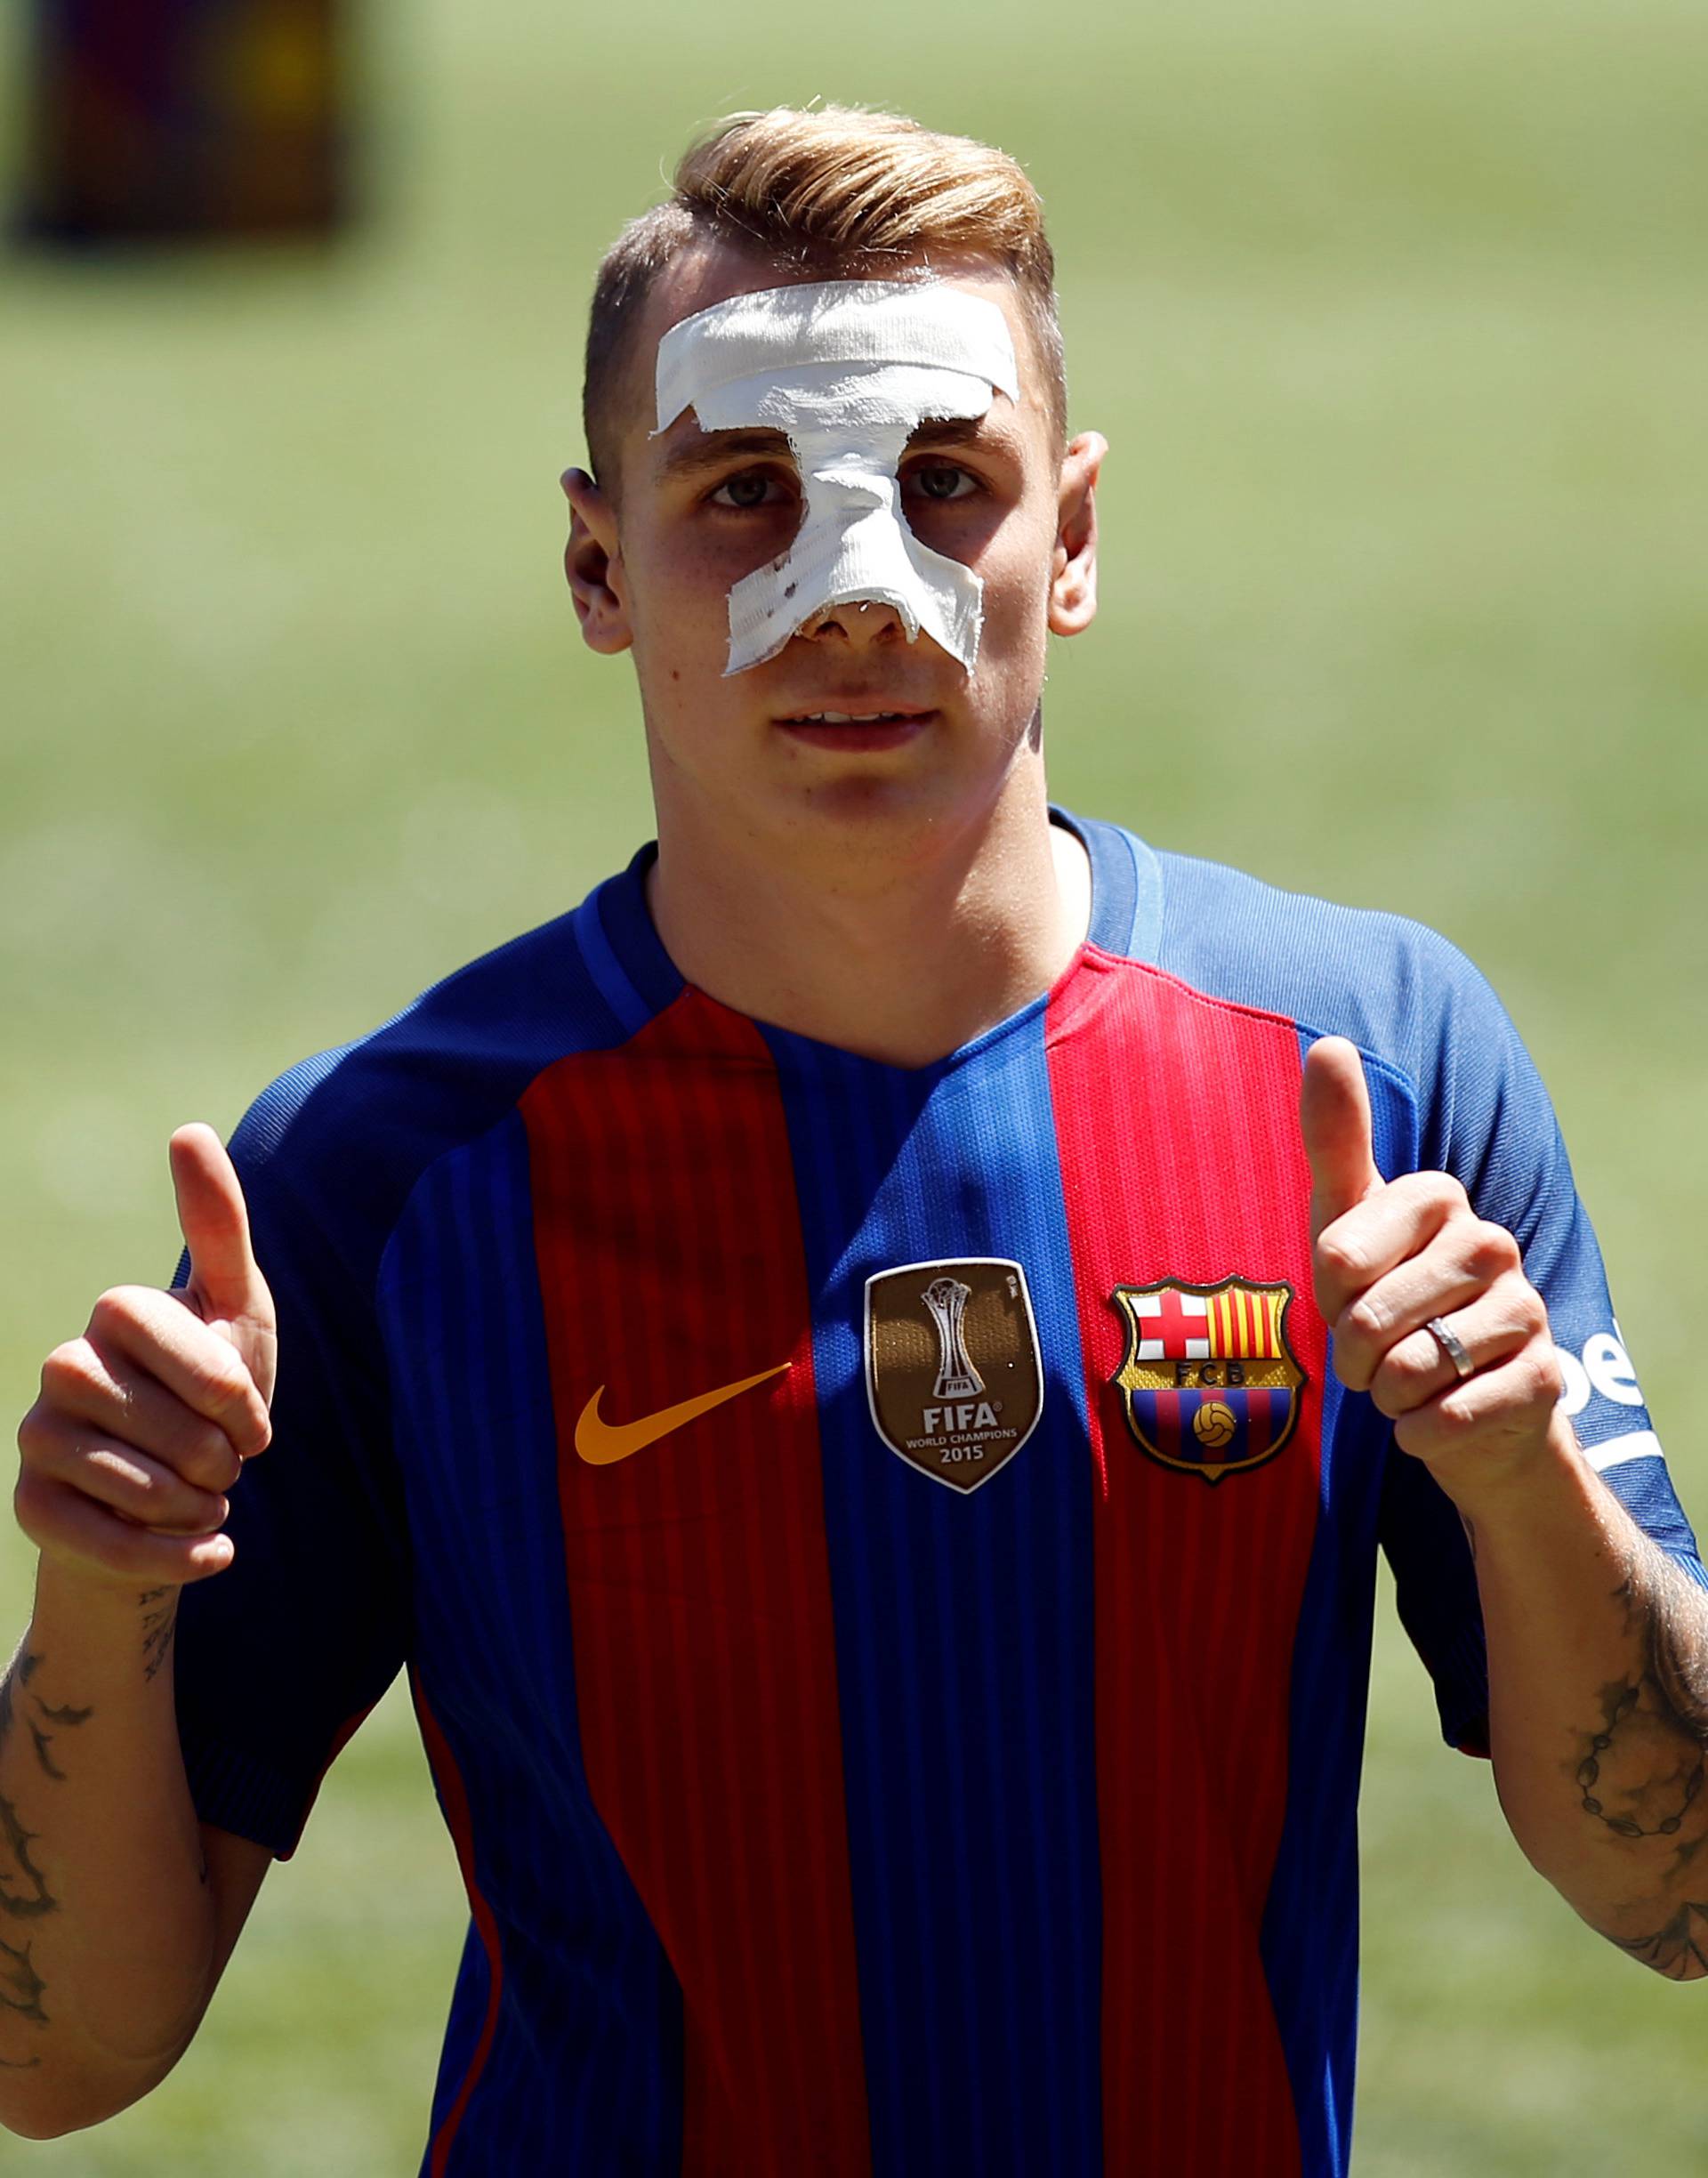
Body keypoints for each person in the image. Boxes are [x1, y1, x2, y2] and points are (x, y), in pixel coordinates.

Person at [3, 103, 1704, 2178]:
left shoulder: (1374, 1070)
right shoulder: (389, 1174)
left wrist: (1523, 1481)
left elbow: (1680, 1899)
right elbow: (52, 2062)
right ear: (595, 562)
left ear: (1067, 540)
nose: (858, 592)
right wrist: (101, 1603)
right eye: (745, 491)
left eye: (943, 486)